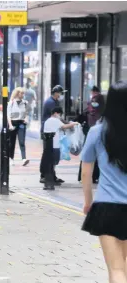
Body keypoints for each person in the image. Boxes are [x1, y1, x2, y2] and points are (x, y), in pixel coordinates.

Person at [81, 81, 127, 283]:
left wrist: (88, 202)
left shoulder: (97, 132)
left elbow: (86, 172)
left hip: (107, 207)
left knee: (116, 270)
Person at [41, 107, 78, 189]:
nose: (60, 116)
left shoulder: (47, 121)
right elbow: (64, 126)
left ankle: (51, 178)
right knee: (53, 163)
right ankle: (50, 179)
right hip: (55, 145)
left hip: (48, 146)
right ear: (55, 113)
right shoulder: (55, 120)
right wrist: (74, 124)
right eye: (59, 114)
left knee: (50, 163)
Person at [77, 86, 105, 183]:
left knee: (88, 153)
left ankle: (85, 176)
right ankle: (94, 176)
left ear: (93, 92)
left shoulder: (94, 100)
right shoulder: (101, 100)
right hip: (98, 128)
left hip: (91, 129)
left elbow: (90, 112)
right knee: (98, 154)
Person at [40, 85, 67, 183]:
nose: (61, 95)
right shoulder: (50, 102)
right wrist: (67, 123)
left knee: (51, 154)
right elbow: (57, 116)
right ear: (56, 93)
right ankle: (44, 175)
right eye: (60, 93)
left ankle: (51, 175)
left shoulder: (55, 101)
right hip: (48, 132)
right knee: (48, 153)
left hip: (52, 131)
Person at [7, 87, 30, 166]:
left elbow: (26, 113)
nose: (23, 95)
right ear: (17, 93)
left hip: (21, 123)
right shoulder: (11, 103)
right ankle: (11, 158)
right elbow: (8, 115)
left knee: (22, 141)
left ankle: (24, 159)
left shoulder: (25, 103)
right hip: (13, 123)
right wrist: (10, 125)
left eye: (23, 93)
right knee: (11, 142)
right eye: (21, 93)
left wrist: (26, 119)